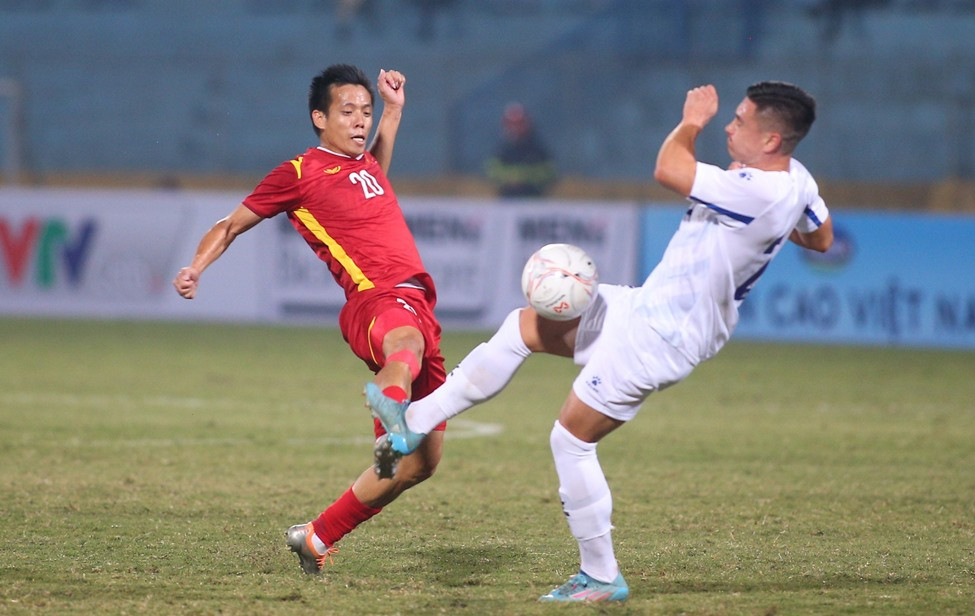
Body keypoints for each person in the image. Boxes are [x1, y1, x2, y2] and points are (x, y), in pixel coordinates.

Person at [366, 81, 834, 602]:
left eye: (741, 120)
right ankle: (416, 422)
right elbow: (822, 237)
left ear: (770, 140)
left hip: (663, 336)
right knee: (524, 327)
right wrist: (770, 229)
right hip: (647, 308)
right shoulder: (795, 182)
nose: (729, 125)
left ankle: (601, 575)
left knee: (571, 439)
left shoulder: (759, 192)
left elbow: (668, 168)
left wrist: (692, 121)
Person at [172, 64, 448, 576]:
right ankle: (388, 414)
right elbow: (230, 225)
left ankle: (316, 537)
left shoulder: (366, 165)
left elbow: (376, 167)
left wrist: (393, 110)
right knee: (404, 344)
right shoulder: (299, 173)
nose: (359, 120)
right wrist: (195, 267)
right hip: (375, 300)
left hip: (418, 306)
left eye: (365, 112)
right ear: (320, 118)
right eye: (348, 112)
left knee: (421, 464)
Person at [484, 102, 556, 198]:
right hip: (506, 200)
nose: (515, 127)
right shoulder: (502, 149)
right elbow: (492, 171)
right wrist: (509, 178)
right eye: (511, 124)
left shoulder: (538, 148)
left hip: (534, 200)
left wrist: (524, 179)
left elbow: (549, 172)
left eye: (519, 123)